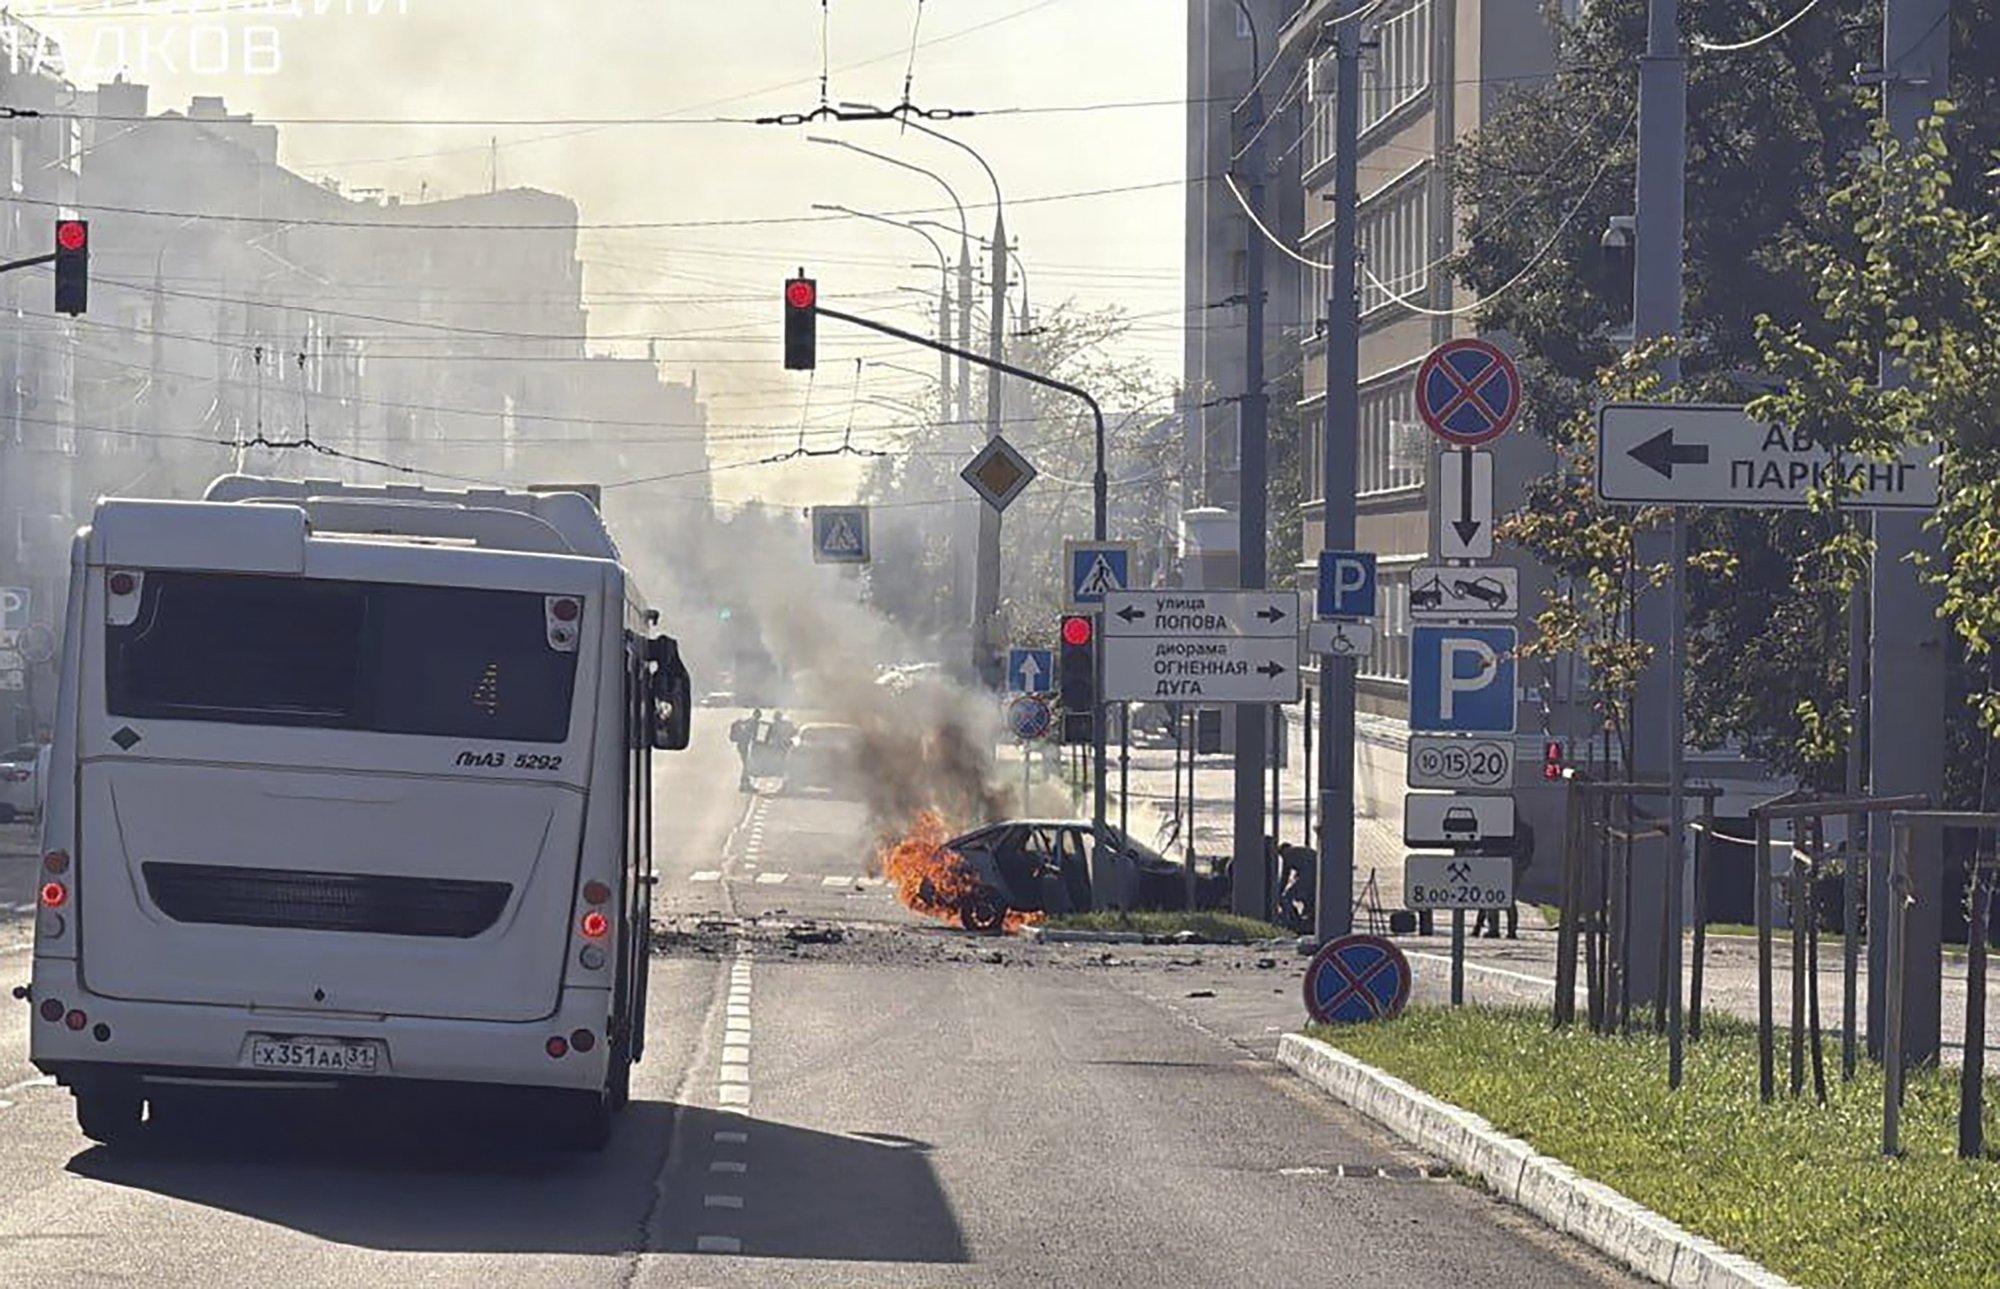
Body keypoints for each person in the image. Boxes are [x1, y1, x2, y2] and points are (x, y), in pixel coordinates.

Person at [1475, 815, 1536, 939]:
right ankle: (1508, 930)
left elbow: (1486, 846)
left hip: (1505, 866)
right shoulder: (1523, 829)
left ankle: (1495, 929)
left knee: (1495, 897)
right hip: (1508, 867)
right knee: (1504, 898)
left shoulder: (1498, 827)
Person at [729, 708, 762, 791]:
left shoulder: (747, 722)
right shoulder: (753, 723)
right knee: (746, 766)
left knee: (746, 766)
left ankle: (745, 783)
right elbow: (753, 737)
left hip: (741, 746)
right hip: (745, 746)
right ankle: (744, 785)